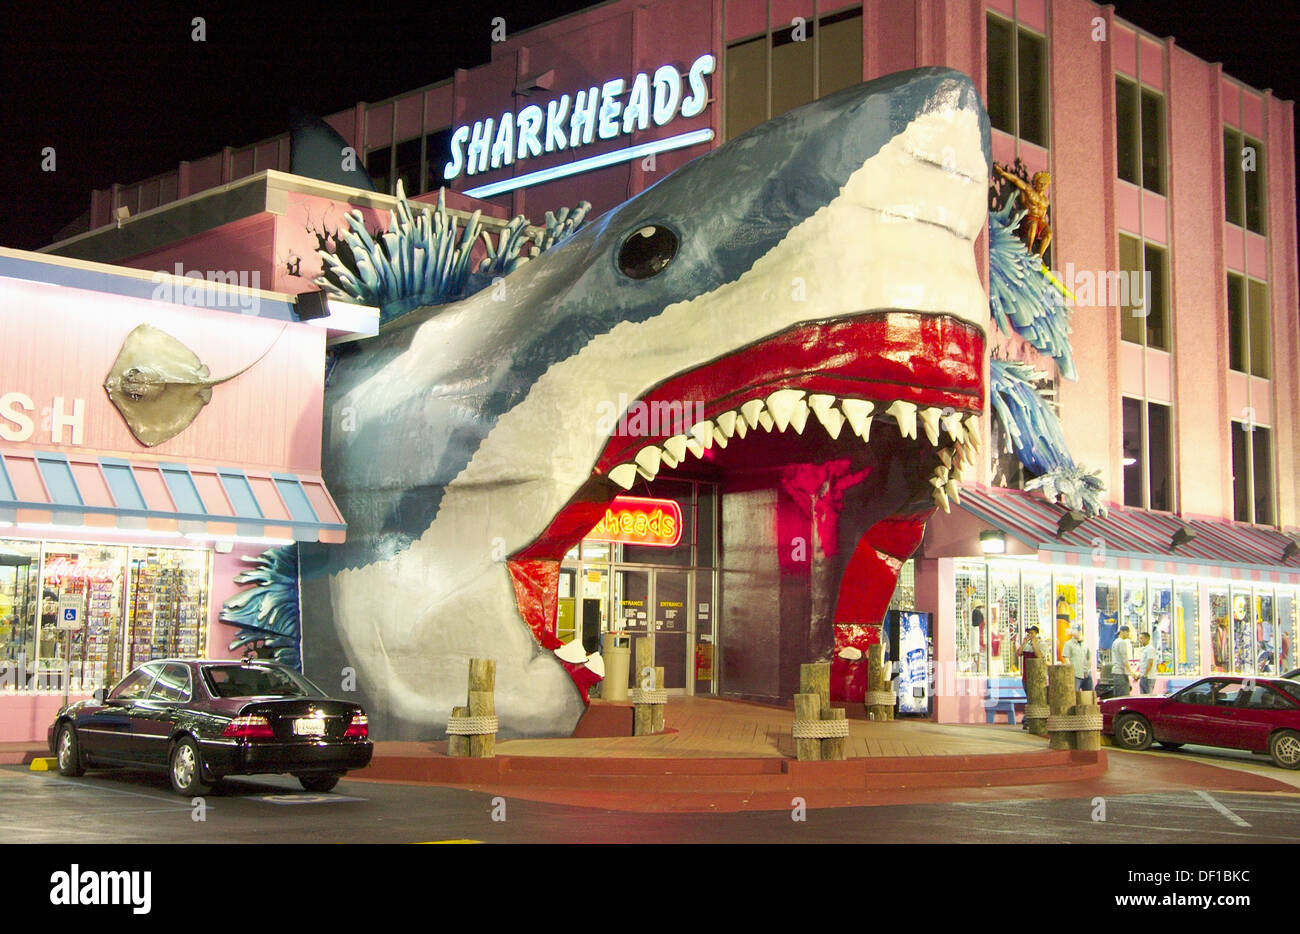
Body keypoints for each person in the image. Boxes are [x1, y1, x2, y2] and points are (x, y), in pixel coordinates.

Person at [1062, 626, 1093, 691]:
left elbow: (1089, 657)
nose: (1078, 632)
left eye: (1079, 631)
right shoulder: (1068, 644)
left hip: (1086, 674)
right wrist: (1071, 671)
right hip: (1075, 674)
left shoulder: (1084, 644)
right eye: (1076, 631)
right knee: (1075, 694)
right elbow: (1066, 658)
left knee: (1089, 694)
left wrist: (1089, 669)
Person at [1110, 626, 1134, 697]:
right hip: (1121, 673)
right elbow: (1124, 660)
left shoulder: (1115, 641)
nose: (1128, 634)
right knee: (1124, 696)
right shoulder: (1122, 643)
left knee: (1117, 696)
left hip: (1116, 672)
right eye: (1128, 632)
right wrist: (1131, 673)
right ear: (1122, 632)